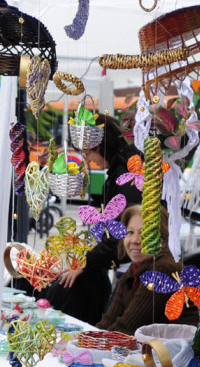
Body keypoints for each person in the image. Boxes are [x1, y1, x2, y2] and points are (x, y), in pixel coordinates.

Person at [41, 115, 141, 324]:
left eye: (88, 152)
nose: (87, 158)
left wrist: (85, 262)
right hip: (123, 265)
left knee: (114, 325)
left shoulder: (127, 175)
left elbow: (119, 235)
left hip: (134, 266)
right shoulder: (121, 171)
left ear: (101, 145)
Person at [96, 204, 199, 335]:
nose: (134, 240)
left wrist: (94, 342)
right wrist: (90, 338)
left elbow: (127, 328)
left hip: (171, 352)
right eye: (130, 232)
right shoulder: (138, 265)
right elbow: (107, 321)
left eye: (145, 233)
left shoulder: (163, 269)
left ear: (162, 239)